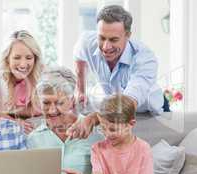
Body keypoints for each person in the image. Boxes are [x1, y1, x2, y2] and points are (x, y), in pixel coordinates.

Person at [70, 5, 169, 138]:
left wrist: (92, 118)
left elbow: (127, 103)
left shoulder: (145, 59)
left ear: (127, 35)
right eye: (102, 38)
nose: (106, 47)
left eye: (113, 40)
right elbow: (79, 56)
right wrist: (80, 88)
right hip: (115, 108)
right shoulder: (87, 42)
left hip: (145, 109)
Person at [27, 68, 104, 174]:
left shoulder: (96, 134)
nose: (51, 110)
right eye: (46, 103)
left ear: (72, 101)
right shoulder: (33, 139)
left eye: (59, 103)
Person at [63, 94, 156, 174]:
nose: (107, 134)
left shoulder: (143, 148)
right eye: (103, 128)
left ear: (131, 124)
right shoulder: (97, 149)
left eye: (113, 129)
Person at [0, 30, 44, 133]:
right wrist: (13, 121)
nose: (23, 64)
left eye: (29, 58)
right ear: (7, 58)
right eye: (17, 58)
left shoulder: (41, 73)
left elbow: (44, 109)